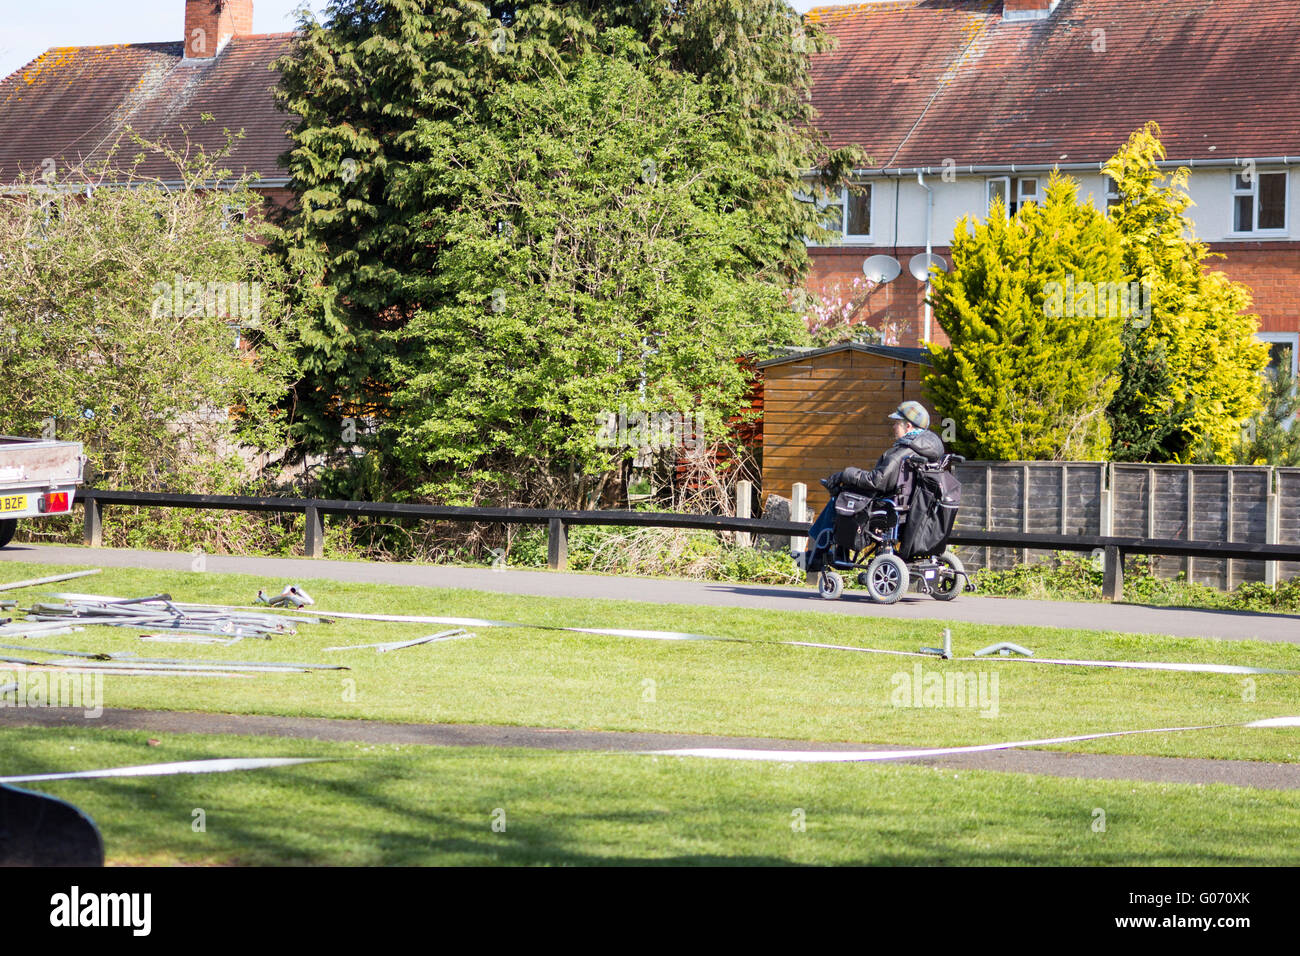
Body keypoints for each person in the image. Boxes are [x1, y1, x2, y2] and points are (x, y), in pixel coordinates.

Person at [795, 401, 945, 570]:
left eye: (897, 423)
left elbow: (876, 481)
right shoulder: (931, 453)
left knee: (839, 499)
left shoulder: (901, 453)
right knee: (846, 495)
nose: (894, 427)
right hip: (911, 509)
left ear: (908, 426)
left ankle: (818, 555)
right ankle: (831, 554)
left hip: (888, 508)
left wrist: (845, 474)